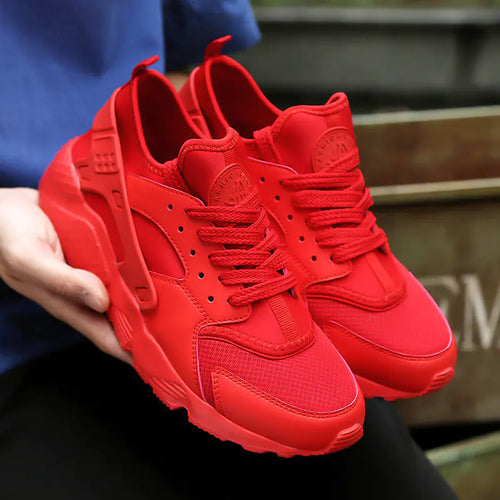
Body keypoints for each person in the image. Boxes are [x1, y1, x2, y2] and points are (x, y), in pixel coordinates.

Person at [0, 1, 457, 498]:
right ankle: (125, 198)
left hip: (194, 246)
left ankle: (189, 207)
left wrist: (207, 172)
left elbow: (189, 55)